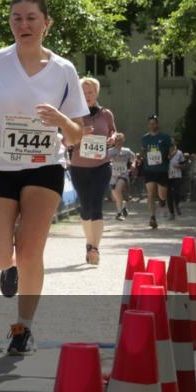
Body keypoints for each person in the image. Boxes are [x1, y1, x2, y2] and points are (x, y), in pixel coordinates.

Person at [0, 0, 88, 355]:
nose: (24, 25)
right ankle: (8, 267)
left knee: (32, 250)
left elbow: (77, 132)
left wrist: (61, 119)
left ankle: (23, 328)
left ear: (46, 24)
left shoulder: (64, 70)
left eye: (31, 18)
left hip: (44, 166)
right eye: (17, 18)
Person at [68, 77, 117, 265]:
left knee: (97, 205)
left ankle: (95, 248)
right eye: (83, 92)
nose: (87, 96)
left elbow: (113, 131)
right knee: (85, 207)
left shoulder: (106, 114)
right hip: (80, 166)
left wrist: (112, 138)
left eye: (90, 92)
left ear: (96, 93)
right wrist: (80, 134)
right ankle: (89, 243)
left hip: (101, 166)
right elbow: (67, 141)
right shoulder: (74, 115)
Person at [141, 115, 172, 228]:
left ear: (157, 124)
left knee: (162, 195)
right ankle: (152, 217)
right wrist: (144, 157)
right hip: (149, 169)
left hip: (162, 169)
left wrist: (170, 155)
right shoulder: (145, 138)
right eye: (150, 123)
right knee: (150, 194)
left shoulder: (165, 137)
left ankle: (163, 201)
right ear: (148, 125)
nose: (152, 125)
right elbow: (144, 150)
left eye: (154, 123)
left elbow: (173, 148)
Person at [108, 133, 134, 220]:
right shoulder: (110, 151)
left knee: (118, 189)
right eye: (116, 140)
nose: (118, 142)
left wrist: (133, 164)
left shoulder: (127, 151)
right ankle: (123, 207)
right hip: (113, 175)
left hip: (123, 174)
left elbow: (133, 158)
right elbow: (103, 159)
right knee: (115, 197)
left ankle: (119, 214)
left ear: (123, 141)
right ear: (114, 141)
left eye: (120, 140)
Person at [167, 138, 184, 219]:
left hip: (177, 176)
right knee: (169, 194)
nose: (171, 143)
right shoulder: (165, 152)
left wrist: (179, 166)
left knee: (177, 193)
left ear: (175, 143)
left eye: (172, 142)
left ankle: (177, 204)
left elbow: (183, 165)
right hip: (167, 176)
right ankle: (171, 213)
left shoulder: (179, 153)